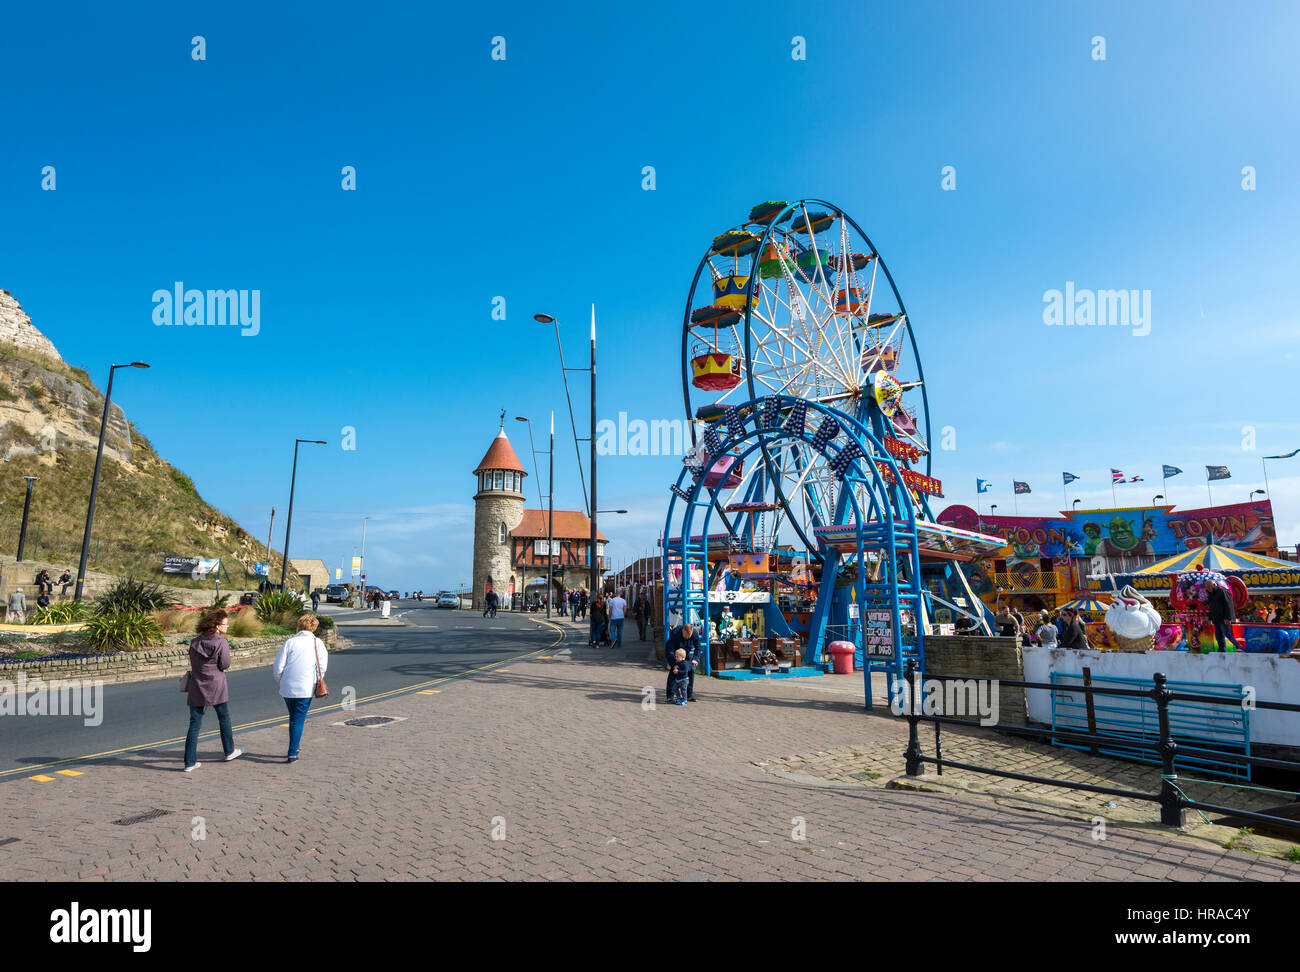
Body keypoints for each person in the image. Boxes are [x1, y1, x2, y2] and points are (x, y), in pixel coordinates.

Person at [183, 609, 242, 771]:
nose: (227, 626)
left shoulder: (195, 642)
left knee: (194, 724)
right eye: (225, 623)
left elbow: (194, 663)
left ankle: (189, 762)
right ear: (216, 626)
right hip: (216, 685)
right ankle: (229, 750)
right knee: (224, 718)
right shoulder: (221, 642)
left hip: (197, 685)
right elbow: (225, 664)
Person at [272, 614, 329, 763]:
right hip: (305, 687)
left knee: (294, 718)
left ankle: (294, 747)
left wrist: (281, 681)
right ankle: (292, 752)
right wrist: (317, 681)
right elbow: (321, 667)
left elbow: (278, 667)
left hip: (287, 687)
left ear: (299, 626)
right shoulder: (318, 643)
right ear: (314, 628)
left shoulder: (290, 642)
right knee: (298, 720)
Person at [665, 623, 704, 702]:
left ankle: (689, 695)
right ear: (683, 631)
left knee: (691, 670)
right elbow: (669, 650)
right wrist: (674, 664)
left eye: (689, 637)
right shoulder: (675, 633)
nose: (687, 638)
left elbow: (698, 648)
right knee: (673, 672)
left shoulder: (694, 634)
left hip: (686, 655)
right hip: (675, 655)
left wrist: (695, 659)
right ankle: (670, 696)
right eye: (686, 636)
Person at [1207, 577, 1242, 651]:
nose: (1208, 588)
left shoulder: (1222, 591)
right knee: (1218, 635)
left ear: (1214, 584)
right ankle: (1221, 649)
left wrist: (1228, 618)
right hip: (1216, 618)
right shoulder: (1211, 594)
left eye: (1209, 586)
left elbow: (1228, 604)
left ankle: (1239, 647)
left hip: (1224, 618)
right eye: (1206, 587)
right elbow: (1211, 607)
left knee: (1228, 634)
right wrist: (1210, 618)